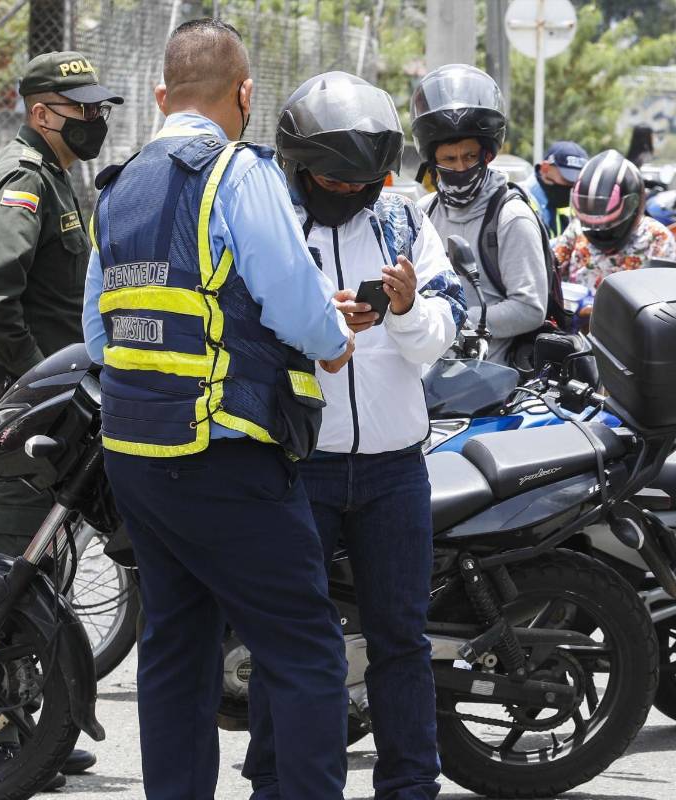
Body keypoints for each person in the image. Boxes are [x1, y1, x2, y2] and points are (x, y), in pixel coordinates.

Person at [81, 19, 354, 799]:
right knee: (303, 648)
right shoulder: (236, 172)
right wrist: (334, 340)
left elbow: (99, 334)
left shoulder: (118, 188)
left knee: (176, 644)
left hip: (137, 455)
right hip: (225, 455)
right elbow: (295, 302)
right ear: (245, 93)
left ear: (162, 96)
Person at [243, 71, 466, 800]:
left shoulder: (402, 221)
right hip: (300, 464)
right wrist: (316, 326)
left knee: (401, 637)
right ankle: (278, 783)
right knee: (290, 636)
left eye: (363, 183)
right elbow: (244, 331)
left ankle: (411, 786)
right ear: (300, 166)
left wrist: (405, 311)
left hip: (394, 468)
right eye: (334, 182)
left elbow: (443, 330)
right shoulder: (271, 221)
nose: (349, 193)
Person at [0, 48, 122, 787]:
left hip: (50, 408)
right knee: (13, 573)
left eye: (97, 107)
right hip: (22, 405)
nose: (95, 118)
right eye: (83, 108)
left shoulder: (57, 177)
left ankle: (35, 731)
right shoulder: (26, 181)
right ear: (41, 112)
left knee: (45, 570)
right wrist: (37, 377)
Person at [412, 63, 547, 366]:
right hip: (427, 375)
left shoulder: (511, 217)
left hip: (490, 379)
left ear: (487, 155)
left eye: (469, 156)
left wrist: (456, 319)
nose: (460, 167)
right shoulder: (423, 213)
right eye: (449, 159)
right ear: (432, 161)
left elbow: (530, 308)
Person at [553, 149, 676, 293]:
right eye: (591, 225)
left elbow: (669, 293)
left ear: (634, 206)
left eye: (608, 226)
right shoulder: (577, 229)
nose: (598, 233)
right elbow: (552, 272)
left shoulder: (657, 237)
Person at [523, 140, 588, 238]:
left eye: (577, 181)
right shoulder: (520, 200)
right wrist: (567, 241)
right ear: (545, 168)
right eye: (567, 178)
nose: (572, 186)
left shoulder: (570, 204)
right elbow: (529, 245)